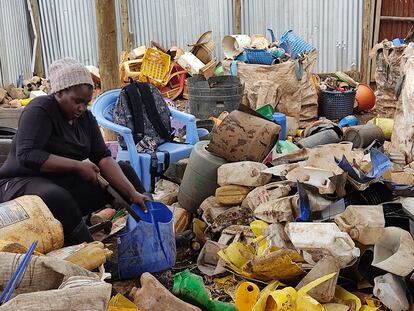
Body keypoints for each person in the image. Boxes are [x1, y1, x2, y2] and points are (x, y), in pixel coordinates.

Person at [0, 58, 149, 245]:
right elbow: (27, 155)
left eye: (86, 103)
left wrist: (132, 192)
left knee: (124, 171)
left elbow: (102, 157)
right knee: (57, 196)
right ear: (60, 91)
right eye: (76, 101)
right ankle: (91, 255)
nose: (81, 108)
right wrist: (77, 166)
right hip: (18, 182)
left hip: (61, 182)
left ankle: (154, 229)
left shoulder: (85, 118)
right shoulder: (40, 110)